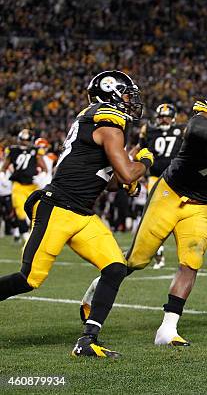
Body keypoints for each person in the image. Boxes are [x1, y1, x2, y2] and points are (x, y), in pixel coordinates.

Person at [81, 74, 207, 346]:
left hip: (202, 203)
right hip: (171, 192)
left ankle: (167, 329)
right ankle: (96, 288)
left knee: (191, 262)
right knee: (136, 260)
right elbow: (196, 129)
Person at [0, 70, 151, 358]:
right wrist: (144, 161)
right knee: (29, 278)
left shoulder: (99, 121)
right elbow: (128, 171)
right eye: (128, 95)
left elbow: (108, 180)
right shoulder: (109, 124)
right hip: (57, 208)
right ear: (113, 94)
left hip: (81, 213)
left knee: (115, 267)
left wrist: (126, 180)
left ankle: (87, 340)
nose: (132, 101)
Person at [137, 103, 184, 269]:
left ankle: (184, 254)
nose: (164, 119)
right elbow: (140, 150)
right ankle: (158, 253)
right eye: (162, 116)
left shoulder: (182, 130)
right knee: (153, 216)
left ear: (173, 117)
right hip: (155, 178)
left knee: (180, 216)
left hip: (177, 179)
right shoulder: (149, 131)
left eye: (167, 116)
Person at [0, 129, 46, 242]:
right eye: (23, 140)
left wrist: (40, 178)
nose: (25, 142)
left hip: (32, 186)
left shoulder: (35, 151)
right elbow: (4, 167)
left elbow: (44, 168)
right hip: (18, 185)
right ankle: (25, 236)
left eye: (27, 140)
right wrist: (3, 177)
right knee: (20, 211)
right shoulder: (12, 150)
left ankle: (31, 234)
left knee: (34, 212)